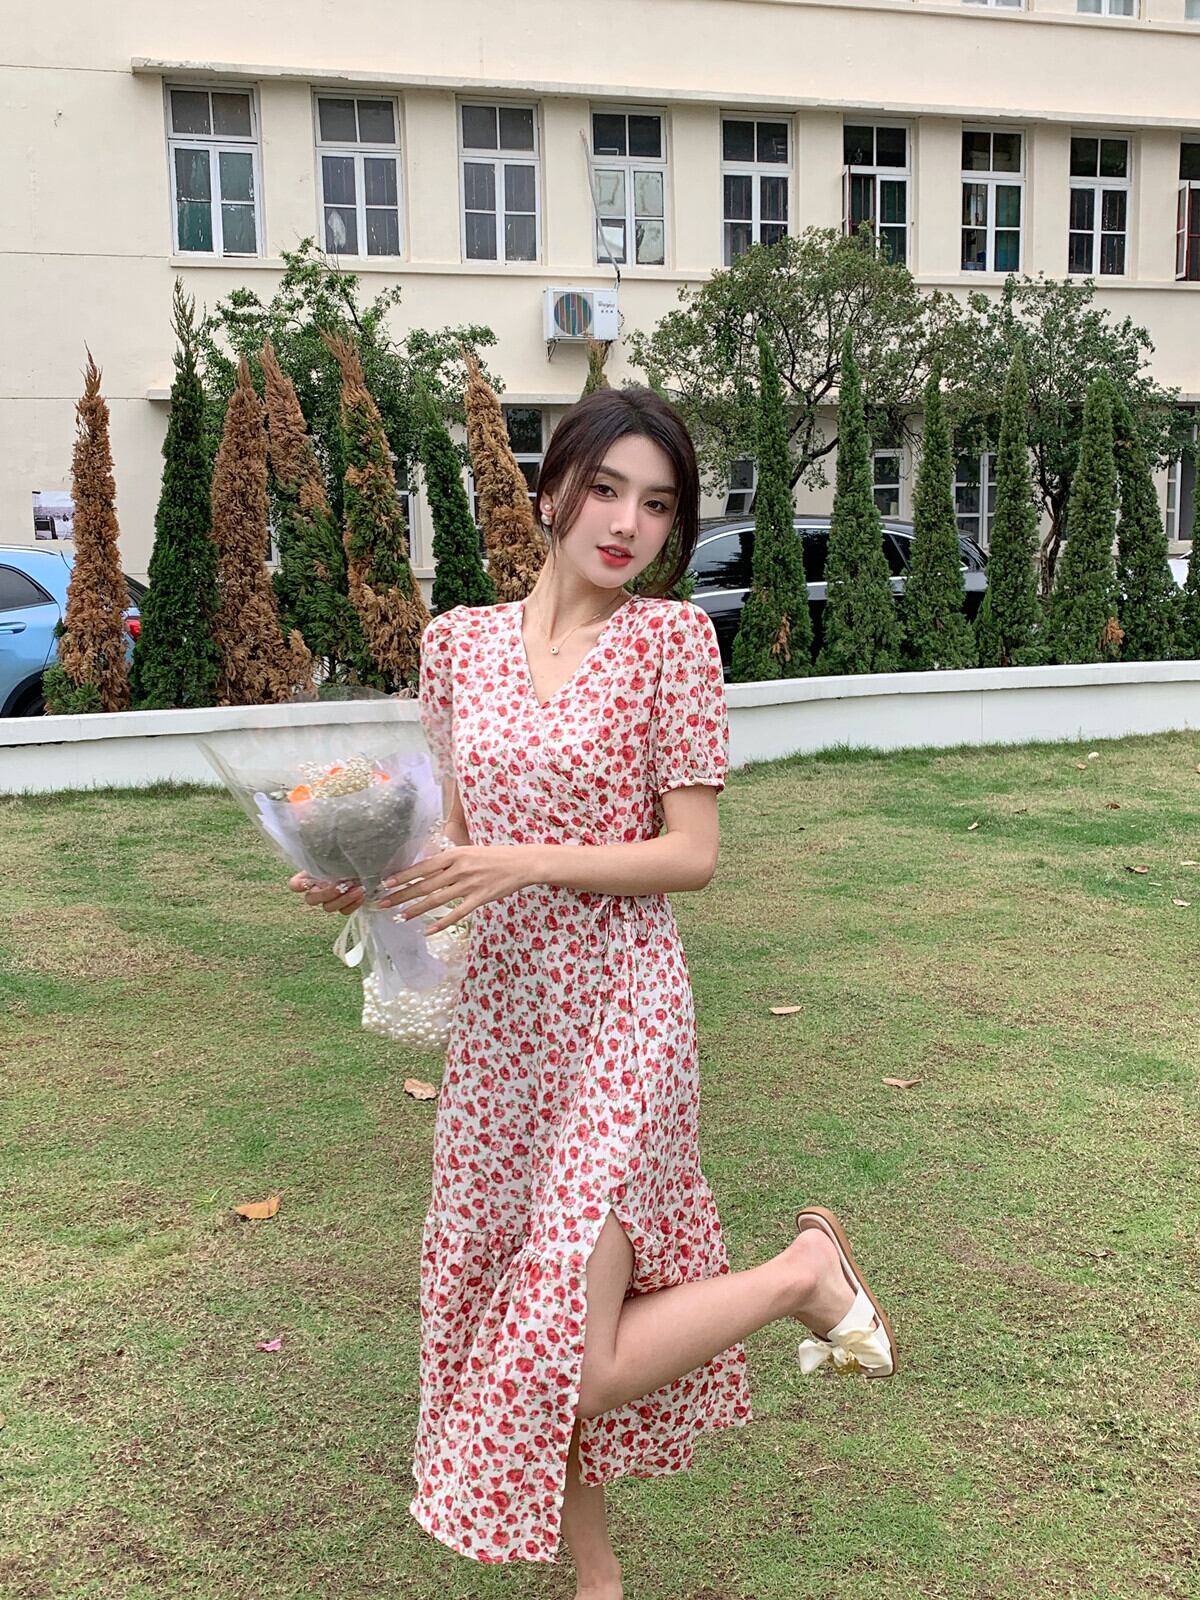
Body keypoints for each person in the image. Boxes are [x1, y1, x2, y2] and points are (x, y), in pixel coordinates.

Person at [290, 386, 895, 1597]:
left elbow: (691, 854)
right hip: (506, 1024)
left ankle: (801, 1272)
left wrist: (524, 861)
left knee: (573, 1343)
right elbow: (456, 837)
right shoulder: (457, 645)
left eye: (657, 505)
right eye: (606, 489)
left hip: (622, 1010)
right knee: (520, 1297)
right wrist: (366, 877)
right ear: (551, 489)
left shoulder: (672, 645)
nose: (626, 524)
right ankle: (599, 1575)